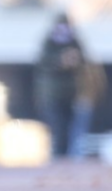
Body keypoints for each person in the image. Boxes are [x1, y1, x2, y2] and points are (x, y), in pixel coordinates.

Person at [34, 12, 86, 158]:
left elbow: (83, 61)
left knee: (69, 127)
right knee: (58, 127)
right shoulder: (49, 43)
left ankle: (64, 157)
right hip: (52, 95)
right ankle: (57, 156)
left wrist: (74, 60)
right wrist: (61, 61)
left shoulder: (74, 42)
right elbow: (43, 63)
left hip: (70, 94)